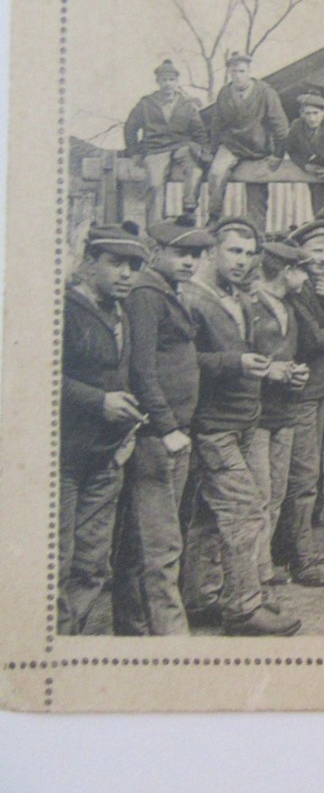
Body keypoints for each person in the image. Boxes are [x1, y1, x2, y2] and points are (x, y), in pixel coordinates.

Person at [179, 218, 302, 636]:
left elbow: (245, 353)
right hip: (213, 426)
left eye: (249, 254)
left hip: (243, 419)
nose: (243, 261)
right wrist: (236, 364)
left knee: (209, 517)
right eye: (234, 251)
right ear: (211, 252)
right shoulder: (191, 299)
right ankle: (244, 608)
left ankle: (200, 598)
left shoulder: (235, 296)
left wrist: (274, 369)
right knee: (245, 512)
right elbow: (181, 363)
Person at [113, 217, 213, 635]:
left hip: (174, 431)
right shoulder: (146, 296)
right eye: (180, 253)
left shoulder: (169, 292)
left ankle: (135, 627)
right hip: (159, 436)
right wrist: (167, 424)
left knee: (144, 540)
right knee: (162, 543)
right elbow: (142, 370)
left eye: (195, 255)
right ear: (157, 252)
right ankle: (171, 638)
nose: (189, 262)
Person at [60, 223, 149, 635]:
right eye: (116, 264)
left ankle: (71, 636)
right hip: (62, 459)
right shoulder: (63, 310)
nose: (126, 274)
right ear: (89, 263)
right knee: (53, 560)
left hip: (106, 457)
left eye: (133, 266)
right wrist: (98, 401)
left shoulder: (122, 313)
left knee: (92, 563)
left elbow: (122, 375)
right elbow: (36, 375)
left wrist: (128, 429)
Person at [277, 219, 324, 588]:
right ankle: (298, 557)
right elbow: (312, 340)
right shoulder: (297, 289)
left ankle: (294, 547)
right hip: (300, 395)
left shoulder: (322, 286)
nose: (322, 258)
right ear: (299, 252)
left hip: (321, 388)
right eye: (316, 251)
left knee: (312, 474)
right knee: (301, 479)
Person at [249, 239, 312, 591]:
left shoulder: (290, 305)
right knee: (258, 495)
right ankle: (254, 572)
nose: (306, 276)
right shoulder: (253, 303)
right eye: (301, 270)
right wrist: (272, 370)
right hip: (257, 413)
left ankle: (265, 563)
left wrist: (294, 373)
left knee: (275, 493)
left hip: (284, 409)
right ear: (287, 272)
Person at [203, 52, 289, 231]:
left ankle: (257, 232)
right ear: (229, 72)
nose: (238, 76)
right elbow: (217, 124)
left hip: (258, 149)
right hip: (232, 146)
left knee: (257, 193)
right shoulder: (225, 93)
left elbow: (280, 126)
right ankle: (214, 216)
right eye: (234, 72)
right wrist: (213, 150)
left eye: (242, 71)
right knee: (216, 172)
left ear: (249, 71)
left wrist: (277, 155)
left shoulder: (265, 92)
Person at [124, 59, 207, 224]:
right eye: (164, 80)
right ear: (158, 82)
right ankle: (155, 225)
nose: (168, 84)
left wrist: (204, 149)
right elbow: (130, 127)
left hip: (180, 146)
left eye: (171, 80)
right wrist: (134, 153)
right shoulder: (146, 103)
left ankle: (189, 211)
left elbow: (199, 131)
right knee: (154, 184)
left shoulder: (187, 104)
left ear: (177, 82)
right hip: (155, 149)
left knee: (195, 171)